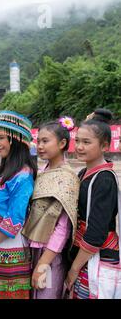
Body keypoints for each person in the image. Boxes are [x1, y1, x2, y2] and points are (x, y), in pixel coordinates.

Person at [0, 110, 37, 299]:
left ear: (16, 139)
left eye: (1, 138)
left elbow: (14, 221)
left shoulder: (23, 176)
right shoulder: (3, 172)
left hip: (9, 245)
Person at [22, 117, 80, 299]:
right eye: (38, 141)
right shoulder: (43, 172)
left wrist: (43, 265)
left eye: (45, 141)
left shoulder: (67, 177)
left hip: (51, 256)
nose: (39, 146)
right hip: (33, 250)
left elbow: (62, 229)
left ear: (62, 143)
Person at [65, 109, 120, 299]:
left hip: (94, 256)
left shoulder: (104, 180)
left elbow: (96, 234)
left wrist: (73, 268)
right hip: (84, 256)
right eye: (77, 141)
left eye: (86, 142)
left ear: (105, 146)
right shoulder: (83, 174)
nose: (79, 147)